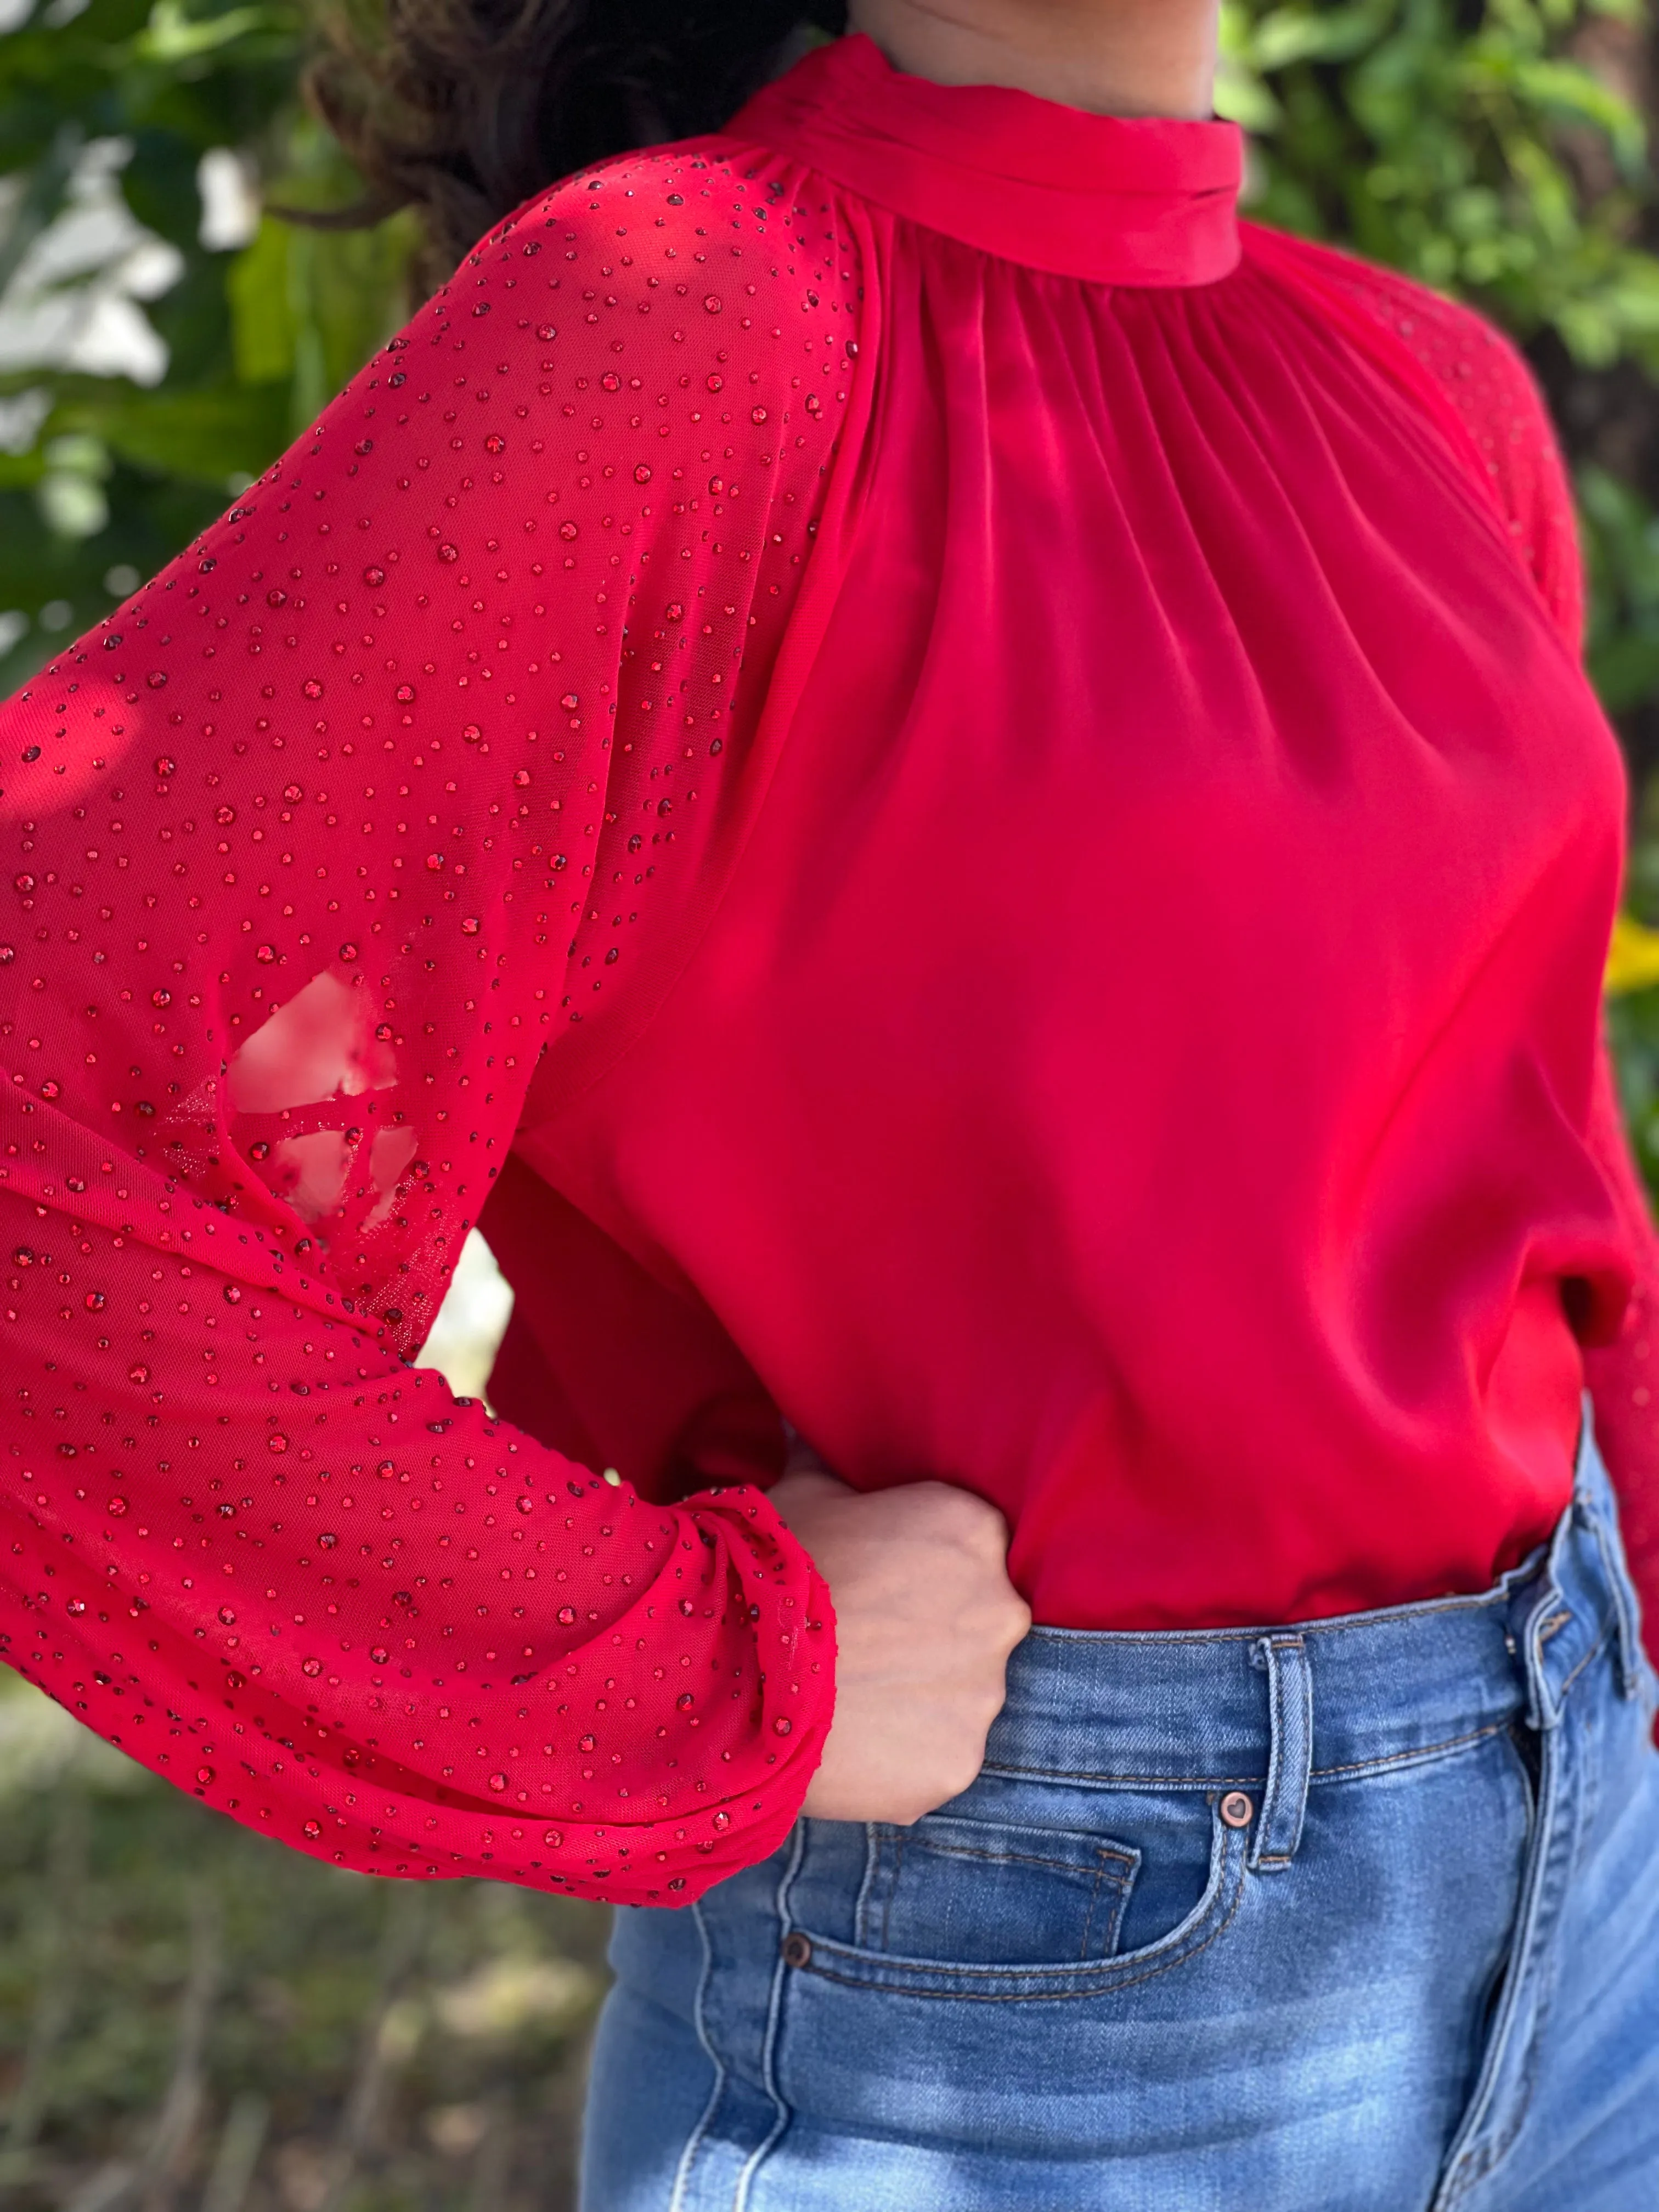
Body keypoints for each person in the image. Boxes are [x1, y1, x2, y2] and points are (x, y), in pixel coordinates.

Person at [3, 0, 1659, 2199]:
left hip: (1593, 1883)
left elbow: (1530, 1160)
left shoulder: (1428, 387)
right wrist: (703, 1675)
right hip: (1044, 2001)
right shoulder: (691, 318)